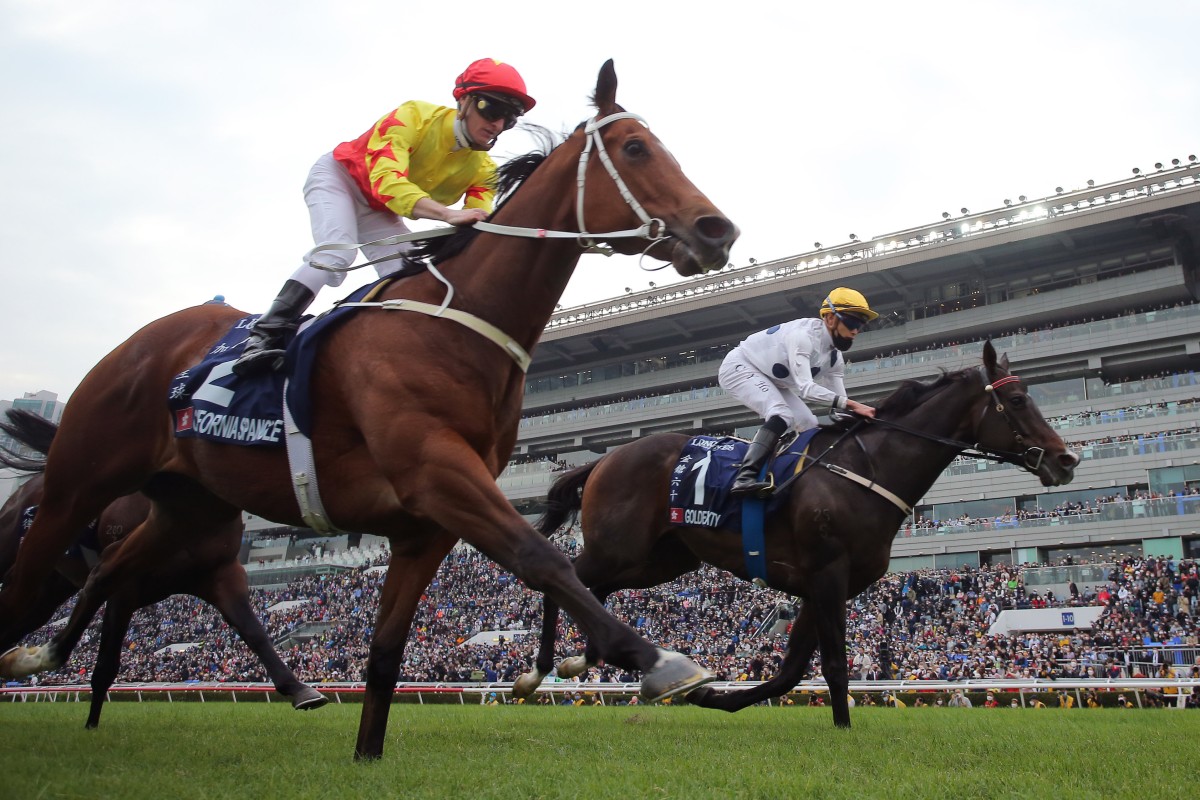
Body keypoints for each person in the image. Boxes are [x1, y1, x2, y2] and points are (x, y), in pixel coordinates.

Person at [234, 58, 536, 375]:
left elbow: (476, 224)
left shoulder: (485, 171)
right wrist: (447, 213)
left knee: (409, 273)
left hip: (379, 210)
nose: (497, 124)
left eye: (509, 119)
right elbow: (387, 182)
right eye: (492, 109)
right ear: (464, 101)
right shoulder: (413, 115)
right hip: (340, 179)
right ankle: (263, 337)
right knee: (337, 254)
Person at [717, 287, 878, 495]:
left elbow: (840, 407)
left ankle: (792, 476)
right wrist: (855, 405)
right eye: (852, 323)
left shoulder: (835, 359)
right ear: (830, 319)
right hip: (740, 366)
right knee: (781, 413)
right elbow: (806, 389)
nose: (856, 331)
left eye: (860, 325)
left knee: (809, 424)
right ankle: (745, 477)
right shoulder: (803, 337)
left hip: (773, 379)